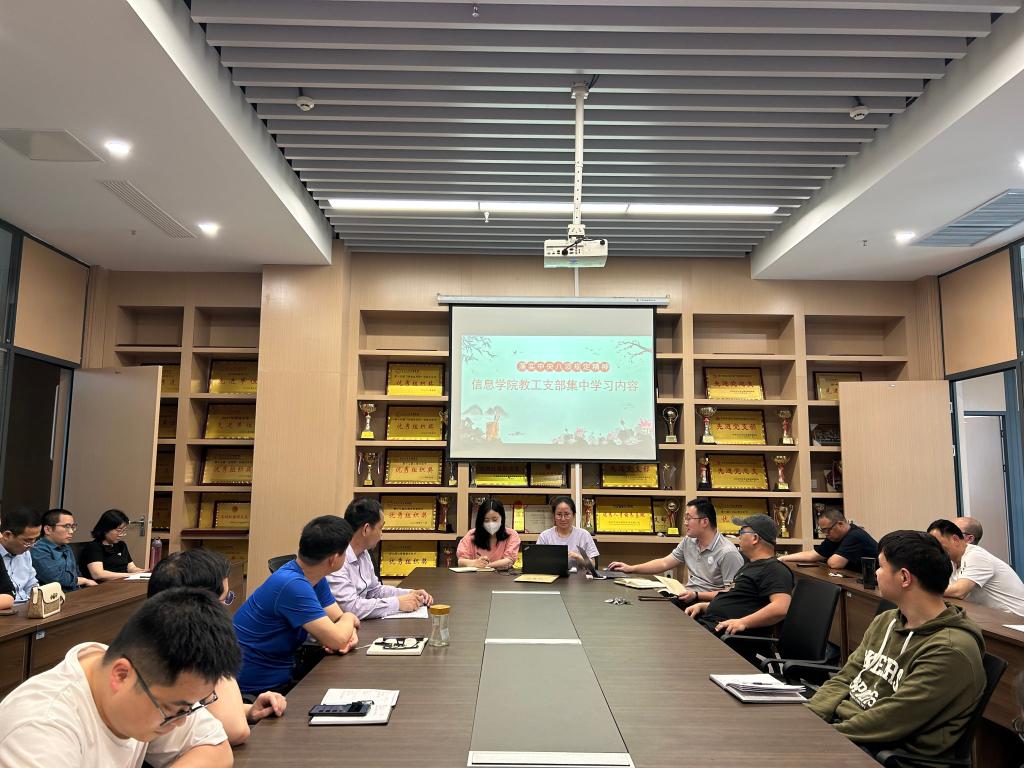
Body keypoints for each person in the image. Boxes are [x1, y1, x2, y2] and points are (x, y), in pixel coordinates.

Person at [0, 587, 240, 767]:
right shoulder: (40, 729)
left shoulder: (147, 682)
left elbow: (216, 748)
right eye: (173, 710)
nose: (181, 722)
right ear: (121, 675)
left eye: (188, 709)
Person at [808, 531, 985, 764]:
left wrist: (817, 737)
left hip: (886, 754)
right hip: (847, 734)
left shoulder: (950, 650)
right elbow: (846, 676)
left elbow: (890, 720)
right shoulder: (887, 620)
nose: (875, 572)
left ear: (904, 577)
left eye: (881, 566)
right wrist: (808, 718)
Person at [148, 549, 286, 745]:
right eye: (225, 599)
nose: (226, 609)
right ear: (202, 607)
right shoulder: (174, 653)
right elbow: (235, 731)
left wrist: (249, 710)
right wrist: (217, 641)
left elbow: (206, 711)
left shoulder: (157, 637)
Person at [233, 515, 360, 696]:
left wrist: (347, 633)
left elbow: (337, 621)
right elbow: (338, 636)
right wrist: (350, 617)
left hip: (284, 673)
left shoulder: (313, 576)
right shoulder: (292, 584)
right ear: (333, 559)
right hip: (258, 689)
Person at [608, 497, 743, 604]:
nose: (685, 522)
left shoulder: (727, 553)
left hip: (707, 604)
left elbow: (732, 594)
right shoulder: (689, 541)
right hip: (688, 596)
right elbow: (664, 563)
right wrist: (630, 569)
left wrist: (697, 595)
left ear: (705, 522)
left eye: (688, 518)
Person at [684, 514, 793, 636]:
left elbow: (781, 608)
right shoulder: (749, 566)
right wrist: (704, 606)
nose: (738, 536)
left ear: (755, 538)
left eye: (741, 532)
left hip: (727, 635)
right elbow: (737, 600)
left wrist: (742, 622)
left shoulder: (774, 569)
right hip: (712, 625)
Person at [327, 497, 434, 619]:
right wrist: (397, 603)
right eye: (380, 528)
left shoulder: (364, 552)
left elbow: (374, 591)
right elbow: (351, 608)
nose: (381, 534)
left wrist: (410, 594)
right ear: (366, 529)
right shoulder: (337, 559)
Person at [928, 518, 1024, 616]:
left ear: (955, 539)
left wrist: (926, 589)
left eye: (937, 543)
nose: (934, 548)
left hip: (1016, 620)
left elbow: (959, 592)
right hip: (994, 617)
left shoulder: (976, 555)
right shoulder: (952, 561)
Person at [779, 508, 878, 570]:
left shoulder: (855, 535)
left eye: (827, 530)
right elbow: (813, 554)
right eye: (823, 530)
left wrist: (826, 558)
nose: (826, 534)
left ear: (840, 524)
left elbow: (835, 563)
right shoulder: (834, 537)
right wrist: (782, 558)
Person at [32, 509, 96, 591]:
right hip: (56, 596)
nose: (71, 531)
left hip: (76, 591)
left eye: (73, 527)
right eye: (67, 526)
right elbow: (55, 578)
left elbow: (76, 573)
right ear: (48, 529)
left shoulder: (66, 547)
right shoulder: (38, 549)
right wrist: (84, 581)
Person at [79, 509, 146, 581]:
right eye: (119, 530)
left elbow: (131, 568)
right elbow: (98, 574)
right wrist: (130, 575)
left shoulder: (121, 545)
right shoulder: (94, 547)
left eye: (124, 531)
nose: (122, 534)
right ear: (106, 529)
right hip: (105, 585)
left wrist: (142, 572)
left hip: (123, 582)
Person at [536, 496, 599, 570]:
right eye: (559, 514)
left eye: (566, 514)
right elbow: (537, 562)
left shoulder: (584, 535)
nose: (563, 519)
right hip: (552, 576)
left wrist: (577, 556)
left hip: (578, 577)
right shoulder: (545, 536)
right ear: (554, 516)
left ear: (574, 515)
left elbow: (593, 565)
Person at [457, 499, 521, 569]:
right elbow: (460, 561)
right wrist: (474, 563)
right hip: (475, 575)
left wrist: (487, 565)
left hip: (501, 575)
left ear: (502, 518)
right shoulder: (471, 534)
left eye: (495, 520)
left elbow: (509, 560)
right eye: (486, 520)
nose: (491, 524)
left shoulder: (512, 535)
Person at [0, 507, 41, 603]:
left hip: (26, 604)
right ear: (7, 535)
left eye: (35, 539)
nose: (32, 545)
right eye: (28, 540)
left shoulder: (25, 553)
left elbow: (32, 584)